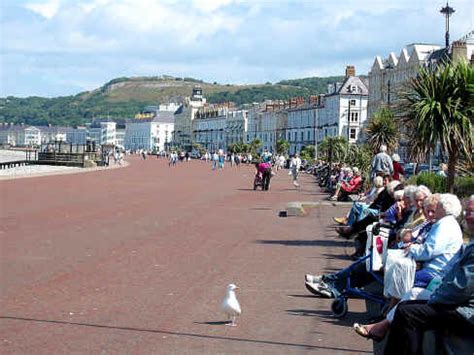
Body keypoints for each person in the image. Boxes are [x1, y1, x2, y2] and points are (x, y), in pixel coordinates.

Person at [354, 195, 474, 354]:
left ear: (443, 209)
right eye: (467, 211)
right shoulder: (448, 226)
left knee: (407, 310)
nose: (466, 215)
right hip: (447, 290)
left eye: (471, 212)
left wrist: (435, 297)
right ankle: (384, 320)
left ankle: (383, 322)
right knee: (405, 304)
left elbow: (460, 287)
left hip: (464, 308)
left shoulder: (446, 225)